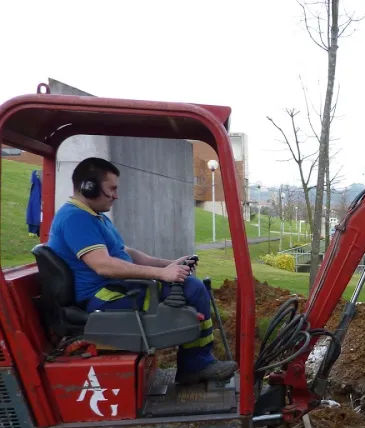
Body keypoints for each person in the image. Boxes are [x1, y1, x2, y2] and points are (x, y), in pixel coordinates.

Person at [47, 157, 238, 385]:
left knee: (193, 287)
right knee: (193, 288)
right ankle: (196, 365)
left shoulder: (94, 217)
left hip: (115, 289)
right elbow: (103, 265)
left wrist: (168, 265)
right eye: (112, 189)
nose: (116, 195)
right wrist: (161, 275)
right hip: (104, 298)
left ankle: (196, 362)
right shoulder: (76, 219)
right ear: (89, 187)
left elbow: (127, 252)